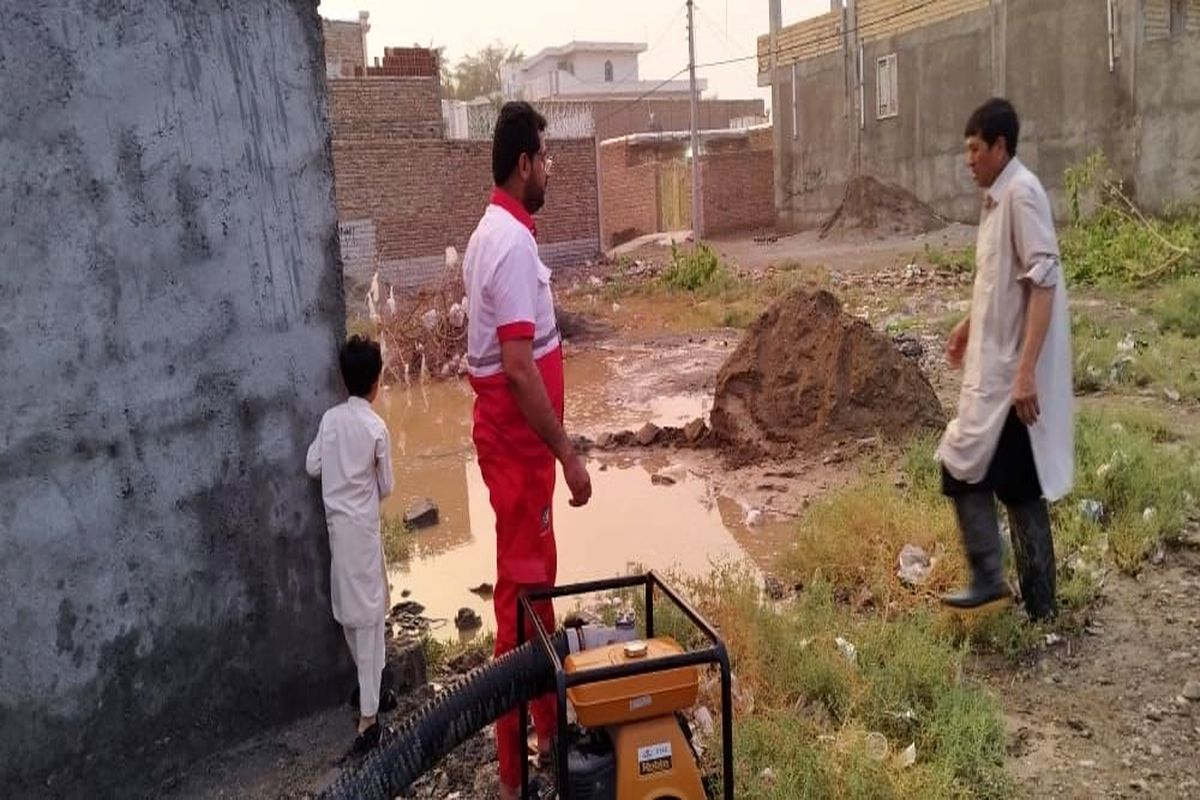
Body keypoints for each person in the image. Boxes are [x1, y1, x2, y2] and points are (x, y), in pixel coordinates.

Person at [461, 101, 593, 799]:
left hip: (519, 454)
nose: (551, 168)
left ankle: (547, 740)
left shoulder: (500, 233)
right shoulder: (508, 244)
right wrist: (568, 454)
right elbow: (516, 365)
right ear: (523, 163)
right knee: (519, 609)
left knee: (535, 596)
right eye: (546, 157)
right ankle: (516, 776)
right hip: (520, 452)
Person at [937, 98, 1074, 621]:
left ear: (1000, 146)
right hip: (993, 371)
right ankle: (1037, 607)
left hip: (1012, 378)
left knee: (964, 468)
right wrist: (968, 328)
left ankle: (993, 581)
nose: (968, 159)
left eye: (975, 149)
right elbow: (999, 282)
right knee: (1018, 488)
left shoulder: (1023, 194)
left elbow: (1044, 280)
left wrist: (1025, 374)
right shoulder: (997, 201)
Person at [305, 334, 395, 753]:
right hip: (364, 529)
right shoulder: (376, 426)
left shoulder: (329, 421)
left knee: (348, 613)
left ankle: (370, 691)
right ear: (376, 382)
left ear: (343, 379)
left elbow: (312, 466)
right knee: (371, 618)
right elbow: (388, 486)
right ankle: (369, 719)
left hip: (339, 532)